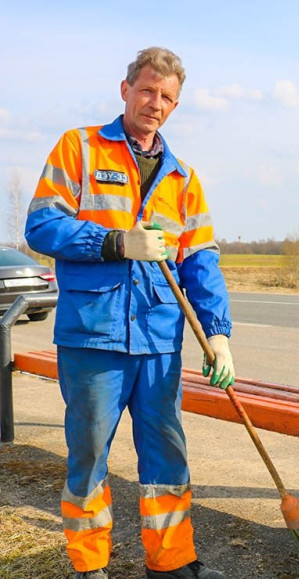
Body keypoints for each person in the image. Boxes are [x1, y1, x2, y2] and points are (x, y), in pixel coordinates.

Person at [25, 47, 234, 579]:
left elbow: (202, 260)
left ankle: (170, 562)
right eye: (146, 90)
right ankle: (89, 564)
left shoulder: (183, 178)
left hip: (160, 341)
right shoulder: (81, 148)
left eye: (166, 97)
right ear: (125, 90)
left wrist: (219, 334)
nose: (154, 103)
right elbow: (42, 226)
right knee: (90, 454)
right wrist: (117, 242)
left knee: (166, 455)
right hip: (93, 337)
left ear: (176, 105)